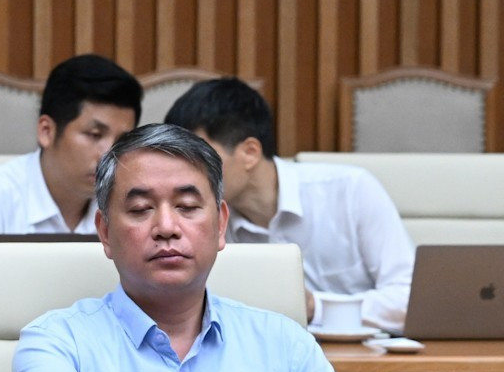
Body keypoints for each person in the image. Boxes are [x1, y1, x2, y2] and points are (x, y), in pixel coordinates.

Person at [15, 124, 367, 372]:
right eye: (140, 209)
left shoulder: (286, 342)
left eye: (187, 206)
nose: (166, 227)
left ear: (220, 224)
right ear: (105, 232)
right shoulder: (58, 337)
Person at [165, 77, 414, 331]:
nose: (184, 174)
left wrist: (316, 307)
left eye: (199, 157)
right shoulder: (202, 220)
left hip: (365, 358)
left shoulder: (350, 190)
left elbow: (409, 299)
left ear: (250, 153)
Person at [0, 53, 144, 288]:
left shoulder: (131, 203)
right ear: (46, 131)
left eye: (122, 140)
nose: (109, 154)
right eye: (94, 135)